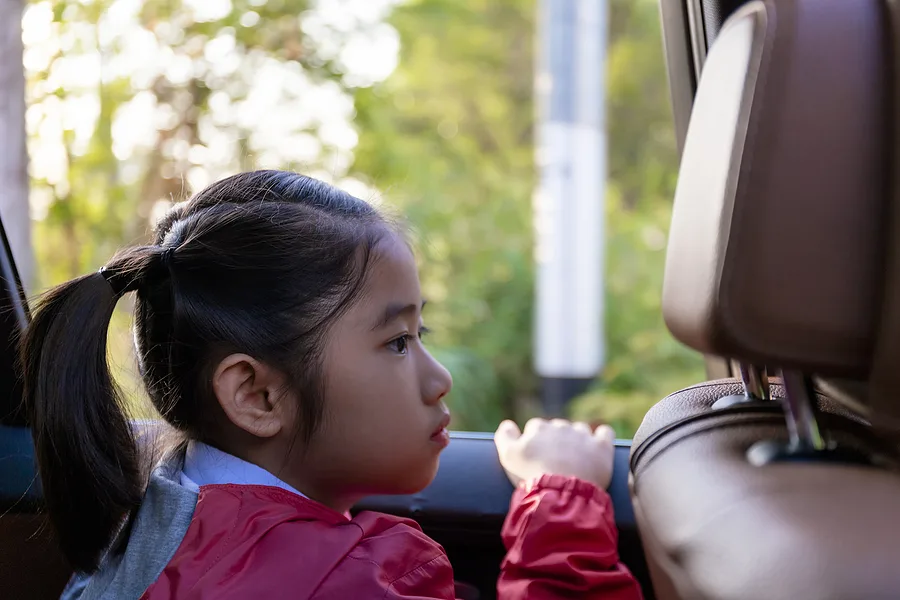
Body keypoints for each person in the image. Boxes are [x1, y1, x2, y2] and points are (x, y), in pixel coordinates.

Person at [22, 170, 643, 599]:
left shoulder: (140, 527)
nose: (440, 378)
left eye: (421, 333)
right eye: (398, 342)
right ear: (257, 395)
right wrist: (560, 504)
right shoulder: (351, 580)